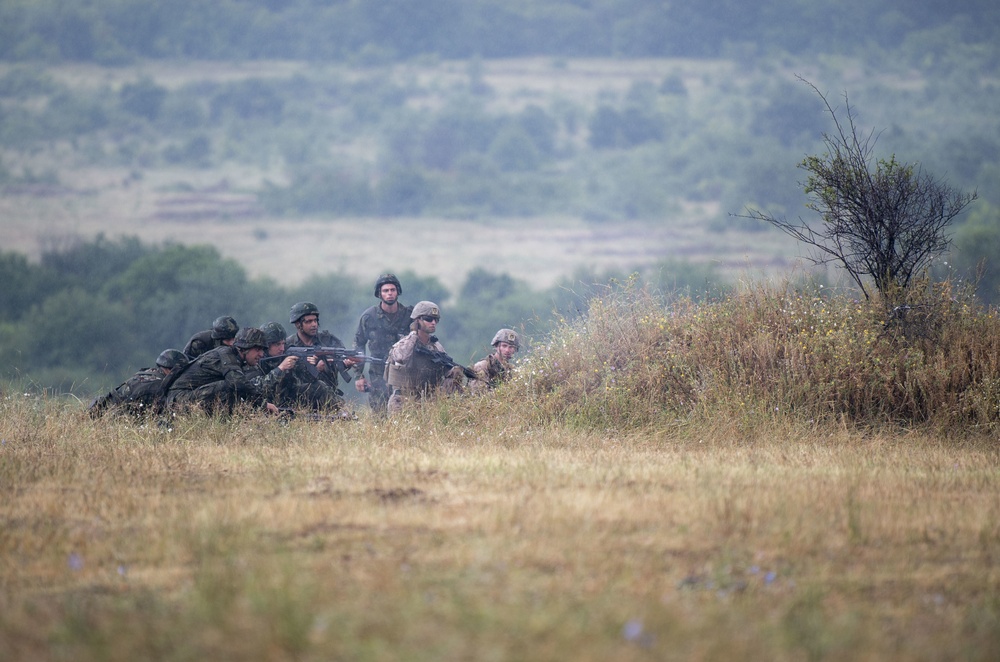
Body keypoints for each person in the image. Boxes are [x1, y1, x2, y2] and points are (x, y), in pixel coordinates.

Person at [165, 326, 279, 415]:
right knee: (229, 385)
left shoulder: (233, 358)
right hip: (179, 399)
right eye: (257, 349)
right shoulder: (226, 354)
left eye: (263, 350)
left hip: (187, 397)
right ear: (244, 349)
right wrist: (263, 404)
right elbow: (237, 383)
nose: (261, 354)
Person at [384, 301, 466, 415]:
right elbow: (401, 357)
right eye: (428, 319)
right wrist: (414, 334)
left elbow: (446, 370)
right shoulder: (405, 344)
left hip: (427, 402)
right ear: (417, 320)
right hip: (402, 401)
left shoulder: (436, 347)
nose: (433, 323)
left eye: (436, 320)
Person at [353, 273, 414, 414]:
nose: (390, 294)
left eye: (392, 290)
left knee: (406, 413)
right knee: (379, 414)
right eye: (385, 291)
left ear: (398, 291)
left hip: (404, 373)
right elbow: (358, 345)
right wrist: (358, 376)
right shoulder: (369, 317)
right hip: (378, 373)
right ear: (379, 294)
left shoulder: (409, 316)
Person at [285, 301, 356, 410]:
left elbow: (341, 355)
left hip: (328, 396)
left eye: (315, 320)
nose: (314, 325)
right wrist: (313, 369)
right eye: (308, 321)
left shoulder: (327, 339)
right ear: (298, 324)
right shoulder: (288, 345)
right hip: (299, 398)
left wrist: (344, 364)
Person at [88, 349, 189, 417]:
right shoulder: (158, 386)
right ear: (170, 370)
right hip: (113, 416)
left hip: (103, 409)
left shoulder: (147, 373)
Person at [471, 328, 521, 394]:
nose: (507, 350)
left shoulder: (512, 370)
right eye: (504, 346)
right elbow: (477, 395)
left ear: (515, 350)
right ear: (496, 346)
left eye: (511, 347)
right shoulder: (482, 366)